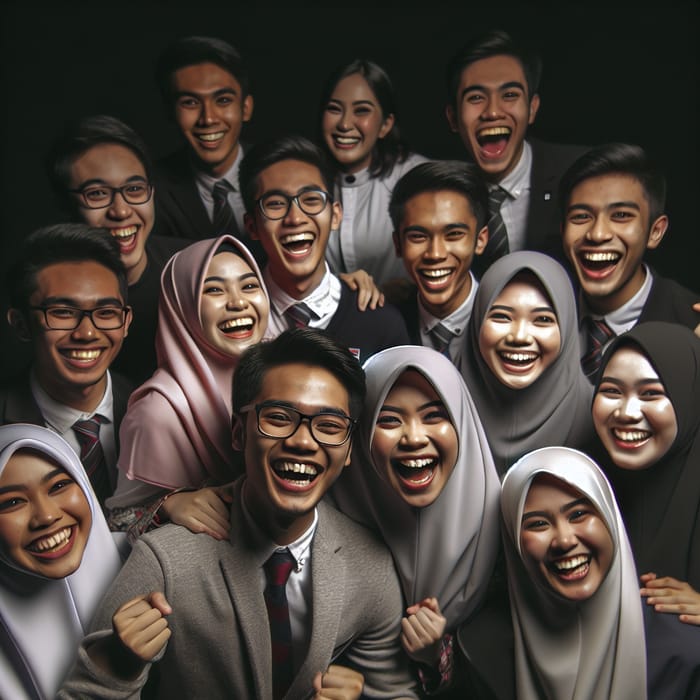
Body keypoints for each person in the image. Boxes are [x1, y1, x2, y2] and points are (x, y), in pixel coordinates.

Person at [58, 329, 419, 699]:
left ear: (348, 452)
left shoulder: (370, 566)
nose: (302, 441)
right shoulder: (164, 561)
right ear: (237, 432)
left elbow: (396, 692)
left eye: (329, 427)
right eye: (278, 417)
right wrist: (119, 666)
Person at [328, 345, 502, 693]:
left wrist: (438, 656)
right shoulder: (322, 528)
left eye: (434, 416)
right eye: (389, 420)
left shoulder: (507, 531)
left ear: (462, 424)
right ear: (362, 434)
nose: (414, 438)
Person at [107, 234, 268, 537]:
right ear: (182, 305)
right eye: (214, 290)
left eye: (249, 285)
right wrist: (167, 505)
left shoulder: (283, 374)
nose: (237, 303)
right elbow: (117, 522)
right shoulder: (157, 410)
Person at [240, 133, 411, 363]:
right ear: (252, 226)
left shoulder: (380, 323)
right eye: (276, 204)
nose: (295, 218)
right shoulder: (235, 317)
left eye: (311, 199)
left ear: (336, 215)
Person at [45, 114, 187, 385]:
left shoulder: (196, 270)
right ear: (66, 206)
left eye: (134, 189)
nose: (121, 211)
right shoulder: (50, 295)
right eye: (97, 193)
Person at [1, 224, 133, 507]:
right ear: (21, 324)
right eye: (62, 312)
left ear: (126, 323)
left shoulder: (153, 408)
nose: (86, 333)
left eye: (106, 312)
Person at [500, 446, 647, 700]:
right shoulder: (482, 652)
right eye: (538, 524)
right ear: (514, 541)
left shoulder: (682, 653)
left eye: (578, 514)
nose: (564, 541)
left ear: (609, 516)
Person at [445, 28, 587, 276]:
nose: (492, 112)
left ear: (532, 109)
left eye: (509, 95)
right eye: (476, 97)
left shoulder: (583, 174)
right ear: (453, 118)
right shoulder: (441, 196)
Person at [0, 423, 123, 700]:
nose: (45, 516)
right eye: (11, 503)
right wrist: (106, 673)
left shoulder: (143, 560)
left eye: (58, 485)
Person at [559, 142, 700, 379]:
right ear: (563, 230)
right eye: (581, 216)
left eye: (621, 216)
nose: (598, 234)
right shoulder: (543, 312)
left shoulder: (690, 325)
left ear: (655, 232)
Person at [461, 251, 593, 475]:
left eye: (542, 320)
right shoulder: (441, 409)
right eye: (502, 316)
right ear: (477, 320)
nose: (519, 336)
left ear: (568, 326)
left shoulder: (597, 419)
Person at [319, 58, 429, 293]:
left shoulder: (418, 178)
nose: (345, 124)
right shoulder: (306, 178)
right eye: (334, 109)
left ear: (385, 125)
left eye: (362, 111)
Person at [152, 35, 260, 254]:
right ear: (170, 112)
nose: (208, 119)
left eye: (223, 100)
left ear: (246, 108)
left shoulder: (280, 171)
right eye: (190, 103)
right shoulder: (151, 190)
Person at [389, 160, 489, 369]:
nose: (435, 254)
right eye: (418, 236)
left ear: (480, 240)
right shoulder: (385, 323)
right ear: (398, 244)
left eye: (453, 235)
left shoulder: (505, 321)